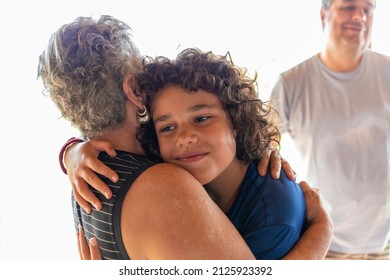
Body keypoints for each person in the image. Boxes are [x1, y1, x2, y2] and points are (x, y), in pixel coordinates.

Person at [38, 15, 332, 260]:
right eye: (167, 126)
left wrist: (71, 153)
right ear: (133, 89)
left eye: (201, 119)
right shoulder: (165, 184)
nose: (184, 137)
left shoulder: (86, 180)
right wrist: (322, 229)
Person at [270, 0, 390, 259]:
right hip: (323, 241)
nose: (360, 16)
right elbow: (263, 146)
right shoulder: (291, 82)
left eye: (368, 10)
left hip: (385, 243)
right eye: (349, 7)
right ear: (324, 15)